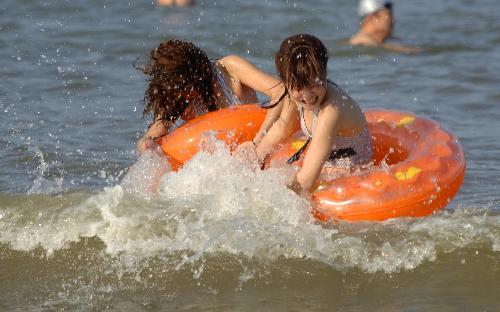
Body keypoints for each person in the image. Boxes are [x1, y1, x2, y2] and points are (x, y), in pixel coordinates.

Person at [236, 34, 373, 193]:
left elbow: (306, 181)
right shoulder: (293, 94)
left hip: (350, 171)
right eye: (299, 87)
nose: (308, 96)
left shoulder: (330, 111)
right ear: (286, 82)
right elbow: (283, 127)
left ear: (324, 74)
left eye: (314, 84)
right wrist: (254, 159)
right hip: (327, 160)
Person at [136, 39, 284, 155]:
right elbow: (151, 136)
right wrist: (145, 145)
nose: (185, 95)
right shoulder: (179, 98)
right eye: (178, 91)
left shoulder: (230, 69)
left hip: (257, 146)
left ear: (198, 74)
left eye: (187, 88)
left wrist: (256, 143)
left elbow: (281, 90)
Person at [349, 0, 420, 53]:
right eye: (389, 15)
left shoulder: (388, 40)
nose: (393, 20)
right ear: (372, 18)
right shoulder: (360, 41)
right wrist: (404, 50)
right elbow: (375, 46)